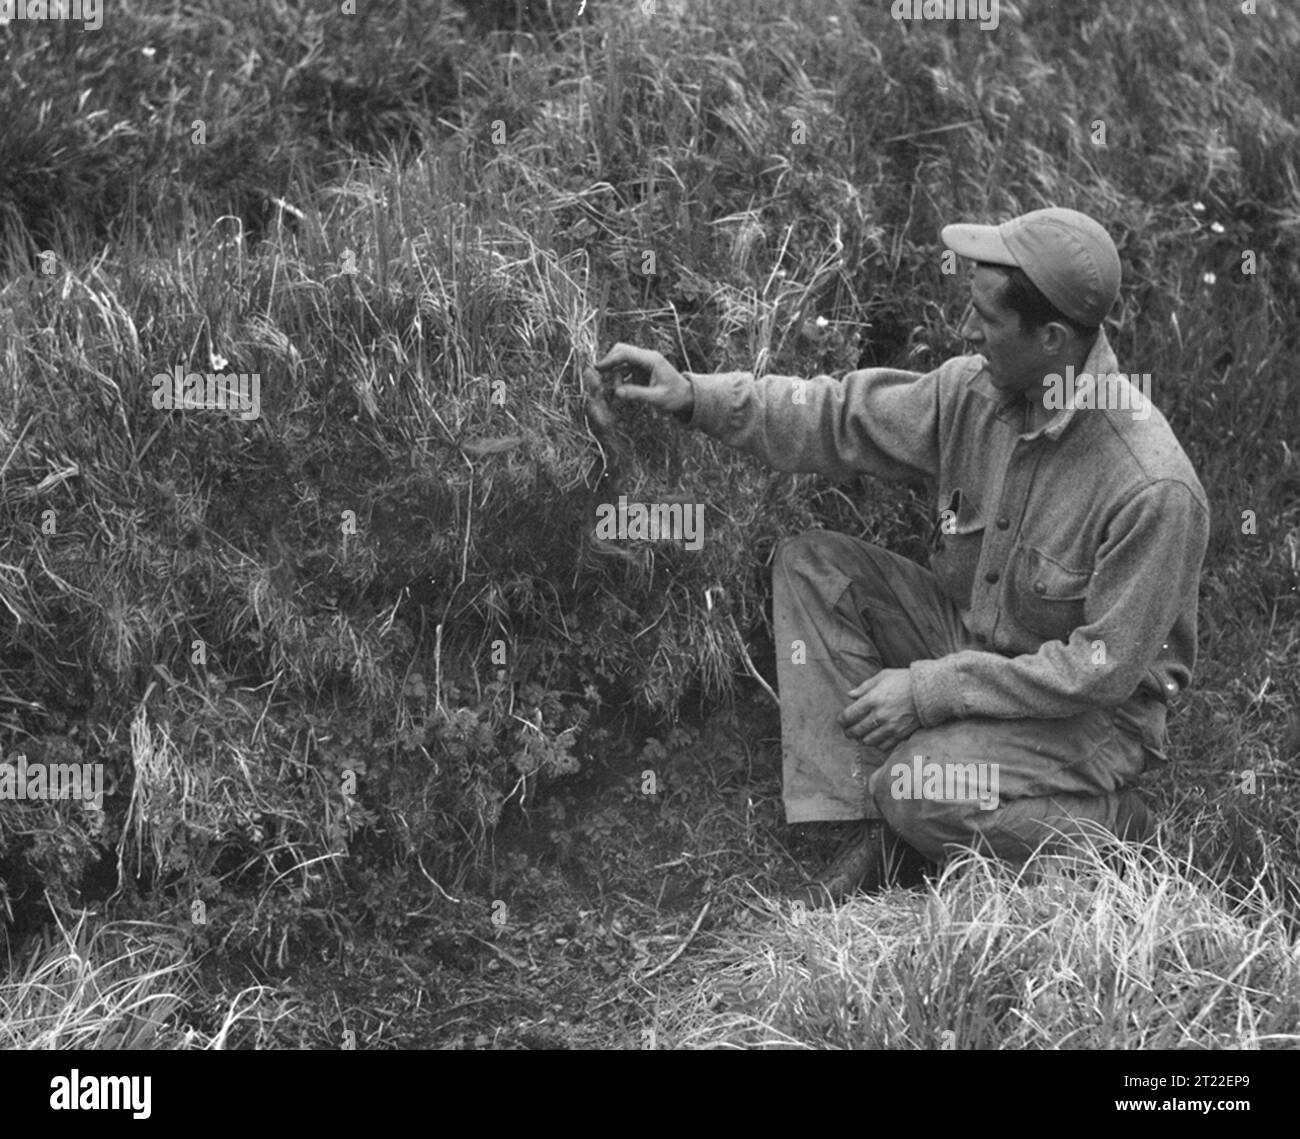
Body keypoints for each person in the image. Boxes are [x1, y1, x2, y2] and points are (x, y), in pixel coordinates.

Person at [594, 207, 1209, 904]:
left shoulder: (1151, 487)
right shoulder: (978, 389)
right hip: (979, 642)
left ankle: (1114, 828)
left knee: (919, 789)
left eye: (986, 318)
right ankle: (871, 826)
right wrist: (692, 395)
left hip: (1090, 716)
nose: (967, 332)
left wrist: (927, 689)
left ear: (1052, 339)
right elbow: (837, 417)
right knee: (812, 567)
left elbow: (1094, 676)